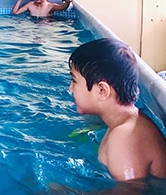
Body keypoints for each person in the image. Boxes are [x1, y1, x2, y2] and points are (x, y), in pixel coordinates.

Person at [68, 39, 166, 183]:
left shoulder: (124, 137)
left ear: (102, 90)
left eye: (74, 81)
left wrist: (70, 192)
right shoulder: (122, 122)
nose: (70, 88)